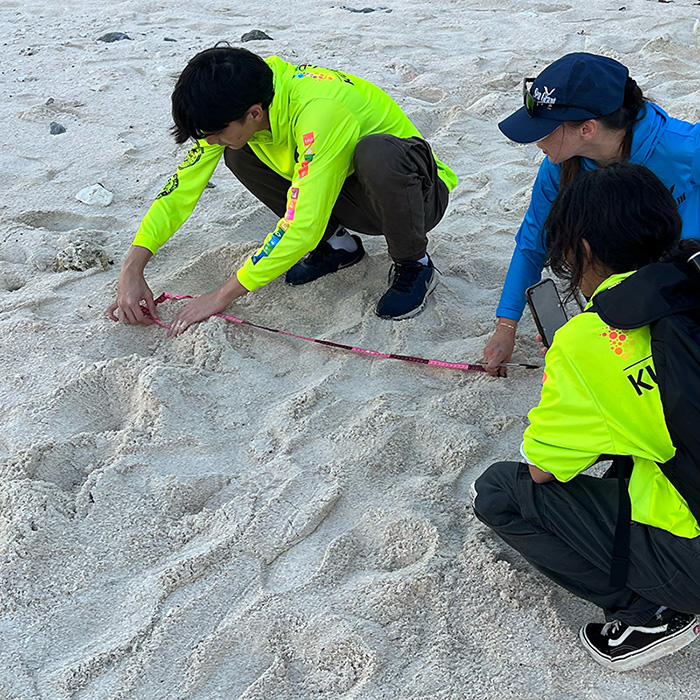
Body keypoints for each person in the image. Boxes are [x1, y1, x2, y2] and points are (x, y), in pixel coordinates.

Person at [473, 163, 700, 671]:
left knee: (499, 492)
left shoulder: (585, 341)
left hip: (693, 557)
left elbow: (543, 470)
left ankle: (649, 610)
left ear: (585, 252)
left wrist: (575, 375)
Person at [106, 45, 457, 334]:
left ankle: (415, 265)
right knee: (238, 153)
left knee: (376, 153)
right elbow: (180, 191)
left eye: (212, 132)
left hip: (417, 198)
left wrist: (220, 296)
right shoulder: (242, 98)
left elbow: (301, 226)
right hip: (344, 183)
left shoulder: (319, 112)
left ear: (254, 112)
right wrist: (133, 268)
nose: (208, 141)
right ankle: (337, 245)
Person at [482, 52, 700, 376]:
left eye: (543, 129)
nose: (534, 140)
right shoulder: (558, 165)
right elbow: (533, 242)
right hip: (619, 288)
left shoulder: (686, 148)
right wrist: (506, 326)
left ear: (587, 129)